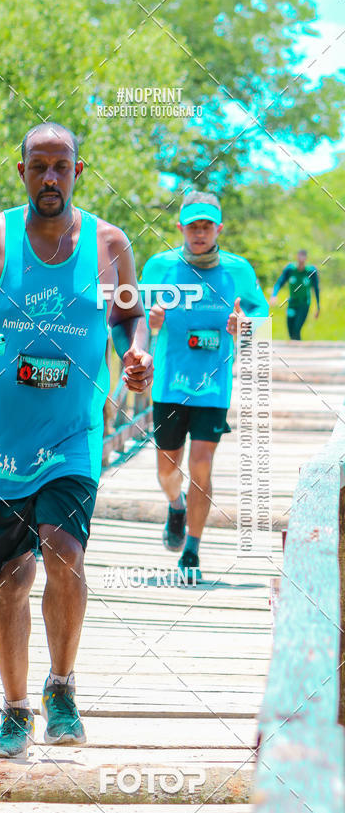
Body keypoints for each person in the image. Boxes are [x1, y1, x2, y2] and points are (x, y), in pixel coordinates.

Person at [0, 122, 153, 759]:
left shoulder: (110, 244)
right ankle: (14, 708)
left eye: (61, 166)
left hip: (74, 431)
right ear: (21, 171)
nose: (49, 178)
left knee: (62, 555)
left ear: (79, 171)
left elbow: (130, 315)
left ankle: (61, 688)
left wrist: (135, 354)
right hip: (2, 436)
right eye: (38, 167)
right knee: (10, 576)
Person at [141, 191, 269, 583]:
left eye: (206, 226)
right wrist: (153, 316)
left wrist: (243, 325)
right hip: (169, 383)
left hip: (214, 383)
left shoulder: (237, 269)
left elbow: (260, 310)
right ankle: (175, 505)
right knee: (167, 469)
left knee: (201, 465)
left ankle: (192, 549)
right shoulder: (160, 266)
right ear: (180, 227)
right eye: (192, 225)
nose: (199, 233)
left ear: (219, 229)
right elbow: (133, 315)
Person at [270, 249, 319, 340]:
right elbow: (279, 283)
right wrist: (274, 295)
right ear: (297, 257)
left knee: (297, 328)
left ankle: (299, 351)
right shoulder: (290, 269)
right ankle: (296, 350)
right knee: (291, 330)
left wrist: (318, 306)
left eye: (303, 257)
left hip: (304, 304)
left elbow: (316, 288)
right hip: (292, 303)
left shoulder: (311, 271)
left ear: (306, 258)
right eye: (299, 257)